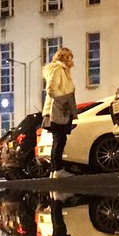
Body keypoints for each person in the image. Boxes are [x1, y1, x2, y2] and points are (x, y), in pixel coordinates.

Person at [41, 46, 77, 177]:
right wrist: (64, 102)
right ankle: (57, 170)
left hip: (58, 110)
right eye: (66, 57)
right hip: (57, 111)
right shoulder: (58, 70)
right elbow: (51, 89)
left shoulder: (63, 71)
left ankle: (54, 170)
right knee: (60, 140)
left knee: (58, 140)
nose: (69, 59)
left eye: (69, 57)